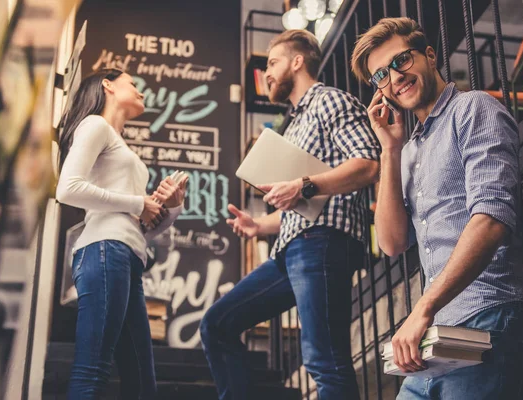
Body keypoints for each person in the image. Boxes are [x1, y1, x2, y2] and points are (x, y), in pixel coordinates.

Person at [351, 17, 523, 399]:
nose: (394, 78)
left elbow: (490, 219)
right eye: (381, 76)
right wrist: (389, 149)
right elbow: (391, 242)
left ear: (429, 55)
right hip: (439, 337)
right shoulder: (407, 150)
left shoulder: (473, 109)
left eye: (401, 61)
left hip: (491, 317)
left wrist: (423, 307)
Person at [199, 29, 381, 400]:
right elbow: (305, 205)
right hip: (293, 247)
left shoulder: (328, 100)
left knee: (324, 363)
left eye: (272, 63)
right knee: (217, 324)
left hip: (324, 243)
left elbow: (368, 164)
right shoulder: (293, 123)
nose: (266, 73)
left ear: (297, 62)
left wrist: (305, 185)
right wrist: (260, 224)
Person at [56, 68, 188, 399]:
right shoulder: (95, 125)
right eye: (133, 83)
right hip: (103, 250)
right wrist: (137, 202)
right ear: (108, 85)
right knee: (93, 369)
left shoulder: (118, 142)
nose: (141, 91)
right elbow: (67, 189)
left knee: (142, 383)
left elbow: (141, 226)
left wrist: (171, 207)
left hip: (127, 257)